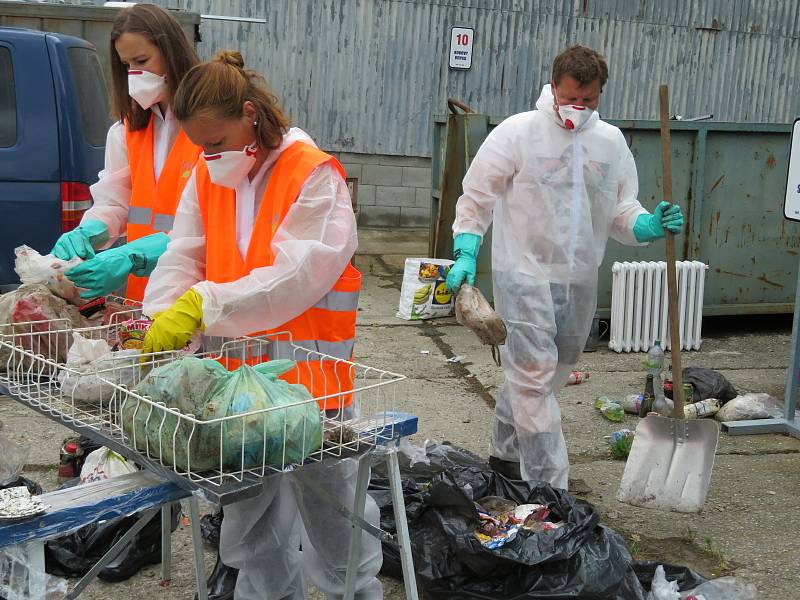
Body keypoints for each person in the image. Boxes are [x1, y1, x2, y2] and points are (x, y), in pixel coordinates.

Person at [140, 50, 382, 600]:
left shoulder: (311, 174)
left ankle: (357, 593)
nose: (209, 155)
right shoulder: (207, 177)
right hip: (237, 398)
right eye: (200, 146)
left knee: (334, 512)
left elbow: (297, 276)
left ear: (251, 115)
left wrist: (203, 303)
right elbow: (184, 256)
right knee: (250, 521)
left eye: (217, 142)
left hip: (311, 387)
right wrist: (157, 319)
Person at [445, 45, 684, 489]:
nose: (580, 107)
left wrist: (648, 224)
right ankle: (551, 489)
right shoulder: (518, 134)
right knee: (534, 378)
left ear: (599, 94)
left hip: (577, 279)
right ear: (553, 87)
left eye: (589, 100)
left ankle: (504, 453)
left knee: (548, 372)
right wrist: (465, 250)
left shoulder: (609, 143)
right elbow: (476, 197)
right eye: (572, 97)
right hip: (524, 273)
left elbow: (620, 209)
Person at [52, 3, 201, 302]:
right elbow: (116, 200)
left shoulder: (209, 125)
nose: (135, 73)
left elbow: (215, 223)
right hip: (146, 291)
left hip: (198, 289)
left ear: (171, 51)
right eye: (127, 65)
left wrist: (134, 255)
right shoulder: (129, 129)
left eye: (142, 60)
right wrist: (91, 230)